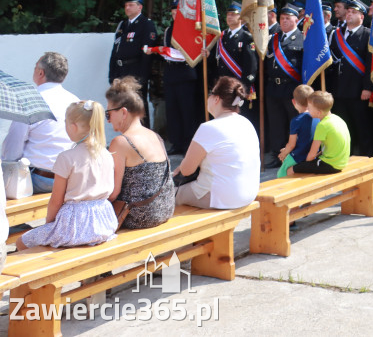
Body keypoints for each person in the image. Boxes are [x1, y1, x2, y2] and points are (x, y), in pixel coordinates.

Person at [17, 100, 117, 249]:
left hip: (73, 227)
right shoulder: (107, 154)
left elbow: (56, 201)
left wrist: (49, 224)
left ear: (73, 127)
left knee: (21, 242)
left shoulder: (66, 157)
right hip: (104, 223)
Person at [174, 76, 261, 209]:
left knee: (169, 195)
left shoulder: (209, 127)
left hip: (221, 197)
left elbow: (186, 170)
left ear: (216, 99)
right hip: (249, 193)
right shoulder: (246, 122)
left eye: (210, 93)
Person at [2, 52, 77, 193]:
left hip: (37, 178)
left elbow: (13, 148)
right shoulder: (75, 101)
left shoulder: (31, 100)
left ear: (40, 73)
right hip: (69, 178)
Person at [106, 77, 175, 229]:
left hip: (137, 216)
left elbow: (113, 193)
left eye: (108, 114)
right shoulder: (154, 135)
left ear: (123, 112)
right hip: (165, 209)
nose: (108, 121)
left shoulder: (121, 142)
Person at [150, 0, 201, 155]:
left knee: (187, 111)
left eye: (176, 13)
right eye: (172, 13)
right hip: (171, 74)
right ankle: (176, 142)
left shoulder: (191, 29)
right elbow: (167, 50)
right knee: (173, 111)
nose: (174, 16)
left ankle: (188, 143)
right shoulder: (168, 30)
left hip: (186, 74)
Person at [328, 0, 373, 157]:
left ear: (362, 16)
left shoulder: (367, 34)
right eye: (348, 12)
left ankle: (366, 158)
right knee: (343, 127)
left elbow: (370, 65)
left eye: (353, 12)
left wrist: (367, 87)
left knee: (362, 127)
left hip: (358, 90)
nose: (349, 14)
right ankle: (345, 156)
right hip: (339, 89)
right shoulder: (336, 34)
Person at [263, 4, 304, 168]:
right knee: (276, 125)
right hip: (273, 88)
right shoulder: (273, 39)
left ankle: (295, 155)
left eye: (288, 18)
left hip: (292, 88)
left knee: (294, 123)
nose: (284, 21)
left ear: (296, 19)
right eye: (282, 18)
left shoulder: (303, 38)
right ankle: (277, 155)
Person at [108, 0, 158, 125]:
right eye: (126, 5)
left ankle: (143, 135)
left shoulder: (146, 24)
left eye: (131, 5)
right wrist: (112, 75)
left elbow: (147, 53)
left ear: (139, 7)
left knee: (137, 104)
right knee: (122, 105)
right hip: (120, 71)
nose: (127, 8)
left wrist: (143, 76)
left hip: (135, 71)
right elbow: (115, 51)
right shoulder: (122, 25)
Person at [288, 91, 351, 174]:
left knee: (291, 170)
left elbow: (312, 155)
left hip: (331, 165)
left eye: (309, 108)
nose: (308, 110)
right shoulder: (338, 118)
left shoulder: (322, 125)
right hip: (342, 162)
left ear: (319, 112)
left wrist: (305, 165)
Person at [216, 1, 258, 97]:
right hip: (223, 85)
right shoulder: (222, 36)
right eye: (228, 14)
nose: (229, 17)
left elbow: (251, 66)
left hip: (238, 85)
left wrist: (244, 87)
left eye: (233, 14)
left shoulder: (247, 38)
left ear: (241, 18)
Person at [277, 84, 318, 178]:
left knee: (280, 175)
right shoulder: (317, 117)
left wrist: (284, 153)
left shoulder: (296, 120)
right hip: (313, 156)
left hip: (298, 156)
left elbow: (291, 145)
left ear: (293, 102)